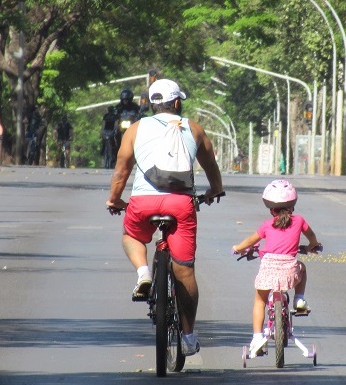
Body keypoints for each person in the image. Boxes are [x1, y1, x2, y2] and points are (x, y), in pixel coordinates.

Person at [106, 78, 223, 356]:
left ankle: (144, 272)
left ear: (150, 104)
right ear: (177, 102)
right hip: (181, 204)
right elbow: (211, 167)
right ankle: (189, 336)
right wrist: (215, 191)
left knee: (132, 235)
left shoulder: (135, 129)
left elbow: (121, 171)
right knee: (184, 272)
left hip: (143, 203)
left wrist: (114, 199)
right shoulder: (194, 129)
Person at [231, 179, 321, 355]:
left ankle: (257, 338)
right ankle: (299, 299)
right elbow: (312, 236)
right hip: (290, 268)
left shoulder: (267, 225)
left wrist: (237, 248)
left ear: (271, 209)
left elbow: (250, 241)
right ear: (292, 206)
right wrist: (312, 245)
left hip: (268, 269)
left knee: (260, 301)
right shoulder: (300, 220)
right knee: (302, 267)